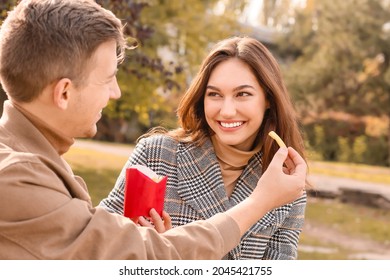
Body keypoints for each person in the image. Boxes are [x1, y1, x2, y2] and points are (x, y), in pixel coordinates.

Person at [0, 0, 306, 260]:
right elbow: (129, 253)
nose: (116, 92)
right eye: (108, 79)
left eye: (242, 94)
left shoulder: (38, 160)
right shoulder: (17, 175)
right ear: (64, 93)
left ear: (269, 99)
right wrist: (260, 202)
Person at [100, 36, 309, 260]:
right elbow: (98, 240)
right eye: (215, 95)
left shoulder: (287, 184)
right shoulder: (156, 155)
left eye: (242, 94)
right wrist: (153, 251)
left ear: (268, 98)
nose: (227, 111)